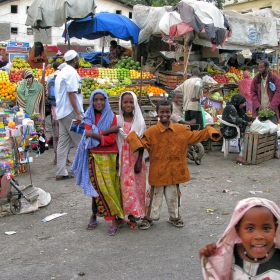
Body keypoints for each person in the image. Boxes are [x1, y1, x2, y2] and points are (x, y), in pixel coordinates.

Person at [126, 99, 221, 230]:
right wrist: (132, 138)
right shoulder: (151, 132)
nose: (164, 114)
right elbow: (143, 144)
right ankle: (149, 218)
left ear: (171, 113)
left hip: (174, 171)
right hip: (158, 173)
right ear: (157, 113)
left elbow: (195, 136)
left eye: (167, 112)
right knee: (155, 197)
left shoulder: (181, 130)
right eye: (162, 112)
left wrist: (209, 131)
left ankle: (174, 217)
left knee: (173, 196)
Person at [71, 89, 124, 236]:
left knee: (109, 189)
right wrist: (105, 132)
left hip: (109, 157)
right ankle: (94, 214)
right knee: (96, 188)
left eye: (102, 99)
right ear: (92, 101)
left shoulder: (112, 117)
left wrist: (95, 133)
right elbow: (88, 139)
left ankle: (113, 218)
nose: (99, 102)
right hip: (93, 156)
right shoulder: (88, 116)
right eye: (96, 100)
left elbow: (111, 141)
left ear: (106, 101)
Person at [200, 197, 280, 279]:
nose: (259, 237)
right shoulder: (228, 256)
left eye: (266, 228)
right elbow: (214, 271)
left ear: (275, 229)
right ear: (238, 231)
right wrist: (208, 255)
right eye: (250, 229)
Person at [115, 91, 146, 229]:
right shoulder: (118, 121)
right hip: (123, 159)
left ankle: (134, 216)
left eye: (131, 102)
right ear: (121, 104)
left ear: (135, 104)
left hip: (135, 159)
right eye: (125, 102)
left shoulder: (139, 121)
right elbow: (116, 141)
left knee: (137, 187)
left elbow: (142, 143)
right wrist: (116, 159)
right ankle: (121, 215)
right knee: (124, 187)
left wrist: (140, 160)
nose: (128, 105)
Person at [54, 50, 83, 181]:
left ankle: (60, 171)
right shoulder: (71, 73)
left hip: (62, 112)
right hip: (70, 111)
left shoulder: (62, 73)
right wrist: (77, 113)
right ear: (75, 59)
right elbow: (72, 93)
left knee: (63, 142)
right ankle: (85, 169)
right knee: (81, 140)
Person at [251, 60, 280, 159]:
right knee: (262, 130)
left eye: (262, 68)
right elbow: (253, 93)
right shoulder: (256, 79)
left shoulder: (274, 78)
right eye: (259, 68)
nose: (260, 69)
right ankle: (263, 151)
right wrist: (257, 105)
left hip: (271, 108)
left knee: (273, 129)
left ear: (267, 68)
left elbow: (278, 93)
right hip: (261, 108)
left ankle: (275, 151)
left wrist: (272, 107)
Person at [46, 62, 71, 166]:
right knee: (65, 136)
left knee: (57, 135)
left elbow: (48, 93)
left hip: (54, 110)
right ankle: (65, 159)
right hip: (65, 111)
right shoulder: (66, 77)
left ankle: (57, 157)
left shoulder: (50, 77)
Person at [220, 94, 252, 165]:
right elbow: (236, 120)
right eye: (242, 103)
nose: (244, 105)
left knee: (249, 130)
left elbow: (245, 117)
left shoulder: (237, 107)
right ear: (238, 102)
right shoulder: (230, 108)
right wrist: (247, 123)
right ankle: (241, 156)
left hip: (235, 127)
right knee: (247, 132)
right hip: (229, 130)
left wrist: (254, 119)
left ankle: (244, 153)